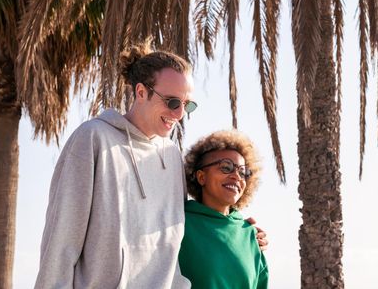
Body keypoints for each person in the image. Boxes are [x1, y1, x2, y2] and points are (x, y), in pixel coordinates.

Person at [34, 41, 267, 288]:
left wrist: (240, 231)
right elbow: (62, 238)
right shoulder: (93, 138)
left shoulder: (171, 155)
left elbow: (183, 225)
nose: (179, 115)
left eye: (186, 105)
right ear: (141, 92)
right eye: (172, 102)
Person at [178, 130, 269, 289]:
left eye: (243, 172)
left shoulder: (250, 235)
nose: (236, 176)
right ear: (201, 177)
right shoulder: (178, 223)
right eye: (226, 167)